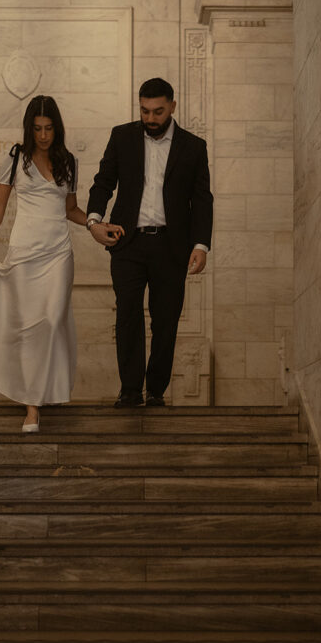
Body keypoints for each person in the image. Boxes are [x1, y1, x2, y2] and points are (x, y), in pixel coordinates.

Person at [0, 94, 121, 432]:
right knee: (29, 328)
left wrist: (95, 225)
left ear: (57, 128)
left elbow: (70, 209)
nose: (43, 135)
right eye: (38, 129)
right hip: (24, 254)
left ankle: (43, 390)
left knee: (53, 322)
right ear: (30, 129)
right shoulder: (16, 158)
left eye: (49, 128)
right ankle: (32, 407)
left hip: (58, 253)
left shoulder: (68, 161)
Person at [86, 77, 213, 408]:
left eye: (158, 111)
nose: (151, 118)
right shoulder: (122, 137)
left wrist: (201, 245)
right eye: (144, 111)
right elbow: (103, 183)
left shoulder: (193, 147)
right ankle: (130, 390)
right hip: (127, 242)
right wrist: (94, 222)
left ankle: (155, 390)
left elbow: (202, 199)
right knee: (127, 314)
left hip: (171, 246)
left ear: (172, 106)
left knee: (166, 320)